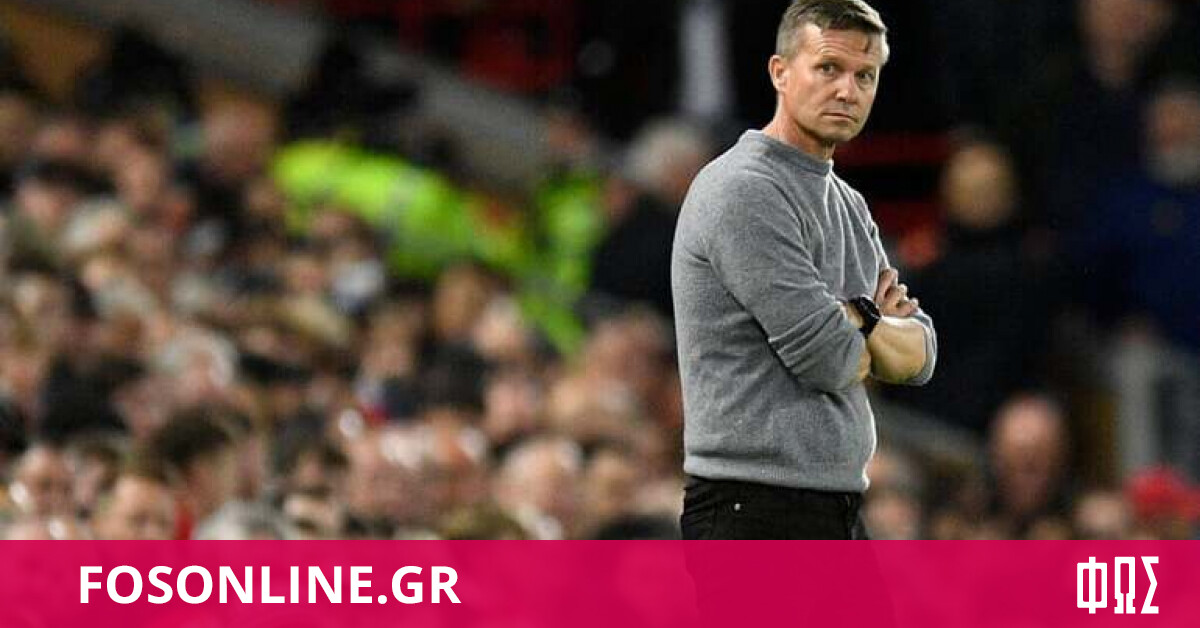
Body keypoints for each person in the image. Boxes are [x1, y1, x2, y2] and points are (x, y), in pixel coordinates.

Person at [672, 0, 937, 540]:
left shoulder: (848, 202)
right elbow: (828, 359)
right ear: (780, 72)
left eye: (865, 75)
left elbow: (921, 358)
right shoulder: (743, 189)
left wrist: (856, 318)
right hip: (753, 509)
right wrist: (873, 322)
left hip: (833, 505)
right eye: (828, 68)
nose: (847, 90)